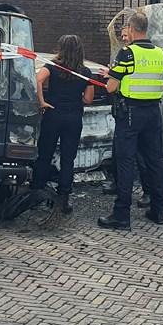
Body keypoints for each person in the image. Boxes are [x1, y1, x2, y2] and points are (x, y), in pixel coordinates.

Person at [98, 13, 163, 230]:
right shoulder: (160, 53)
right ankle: (158, 211)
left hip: (130, 114)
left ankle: (121, 215)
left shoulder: (127, 53)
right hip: (153, 114)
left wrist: (115, 79)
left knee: (126, 162)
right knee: (155, 161)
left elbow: (111, 87)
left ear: (130, 29)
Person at [32, 34, 94, 214]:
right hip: (73, 118)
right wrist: (78, 97)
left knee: (44, 154)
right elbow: (89, 99)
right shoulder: (85, 72)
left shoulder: (52, 66)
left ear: (61, 48)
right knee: (68, 159)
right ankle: (64, 198)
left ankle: (37, 192)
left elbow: (38, 79)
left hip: (53, 114)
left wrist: (42, 101)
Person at [101, 24, 153, 208]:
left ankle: (144, 193)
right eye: (122, 35)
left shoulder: (132, 54)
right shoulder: (126, 54)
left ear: (133, 32)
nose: (123, 38)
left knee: (137, 157)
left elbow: (116, 85)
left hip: (133, 112)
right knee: (119, 153)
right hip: (124, 112)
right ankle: (119, 185)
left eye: (125, 35)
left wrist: (113, 79)